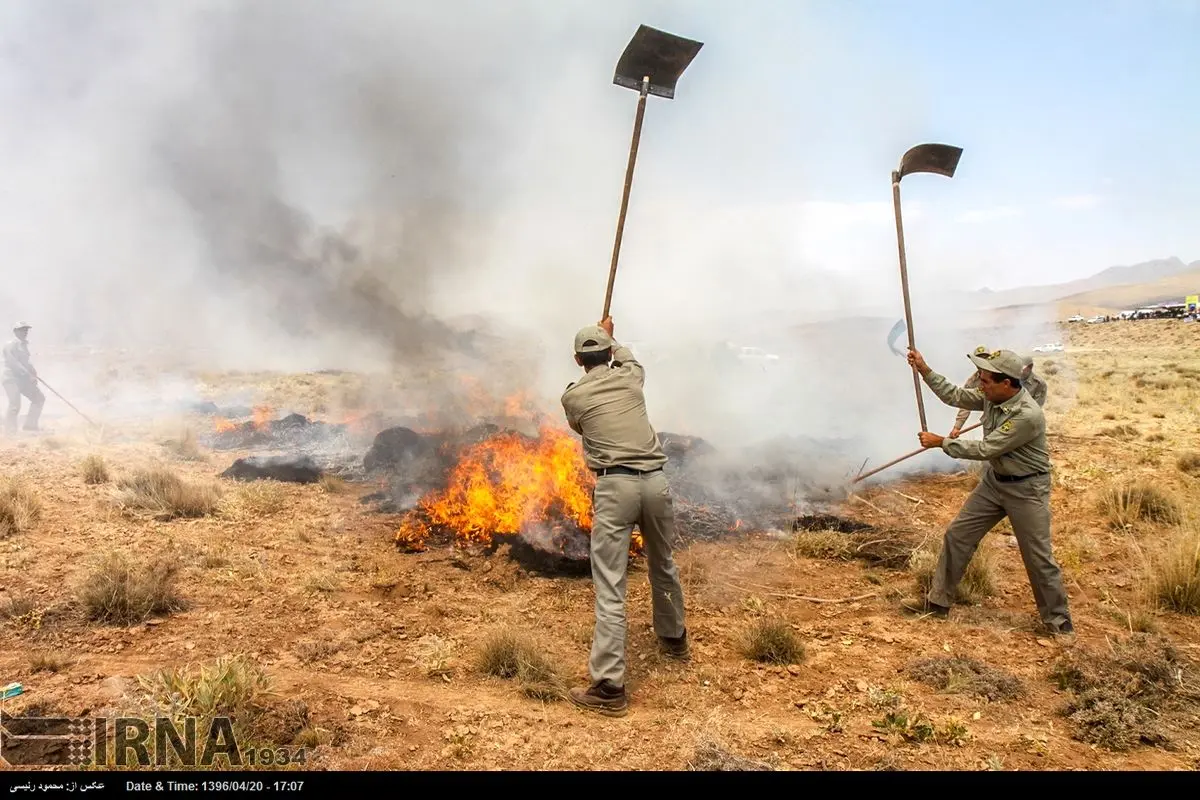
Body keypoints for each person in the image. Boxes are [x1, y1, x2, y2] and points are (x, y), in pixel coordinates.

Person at [560, 316, 688, 717]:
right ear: (610, 352)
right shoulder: (631, 377)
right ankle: (674, 640)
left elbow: (581, 427)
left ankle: (609, 688)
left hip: (616, 488)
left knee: (611, 585)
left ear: (579, 360)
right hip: (655, 482)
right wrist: (613, 338)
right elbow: (628, 359)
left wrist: (600, 350)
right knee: (663, 564)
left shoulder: (574, 397)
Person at [901, 346, 1073, 636]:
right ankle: (937, 603)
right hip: (995, 482)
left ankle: (1059, 623)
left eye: (985, 381)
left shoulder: (1026, 415)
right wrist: (924, 369)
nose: (980, 385)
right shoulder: (992, 396)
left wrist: (941, 442)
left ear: (1007, 383)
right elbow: (955, 395)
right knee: (958, 535)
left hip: (1027, 489)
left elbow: (986, 448)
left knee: (1037, 557)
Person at [950, 348, 1047, 436]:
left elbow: (1035, 407)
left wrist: (1013, 418)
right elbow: (966, 402)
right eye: (979, 360)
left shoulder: (1006, 375)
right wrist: (957, 427)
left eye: (985, 358)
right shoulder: (973, 381)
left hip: (1019, 422)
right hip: (994, 423)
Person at [3, 322, 45, 436]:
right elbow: (14, 363)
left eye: (26, 330)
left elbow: (26, 362)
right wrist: (28, 374)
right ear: (15, 331)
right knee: (15, 404)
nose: (25, 332)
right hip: (11, 379)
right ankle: (10, 432)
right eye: (22, 330)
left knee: (39, 398)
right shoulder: (10, 345)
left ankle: (30, 426)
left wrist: (33, 372)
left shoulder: (24, 345)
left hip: (23, 378)